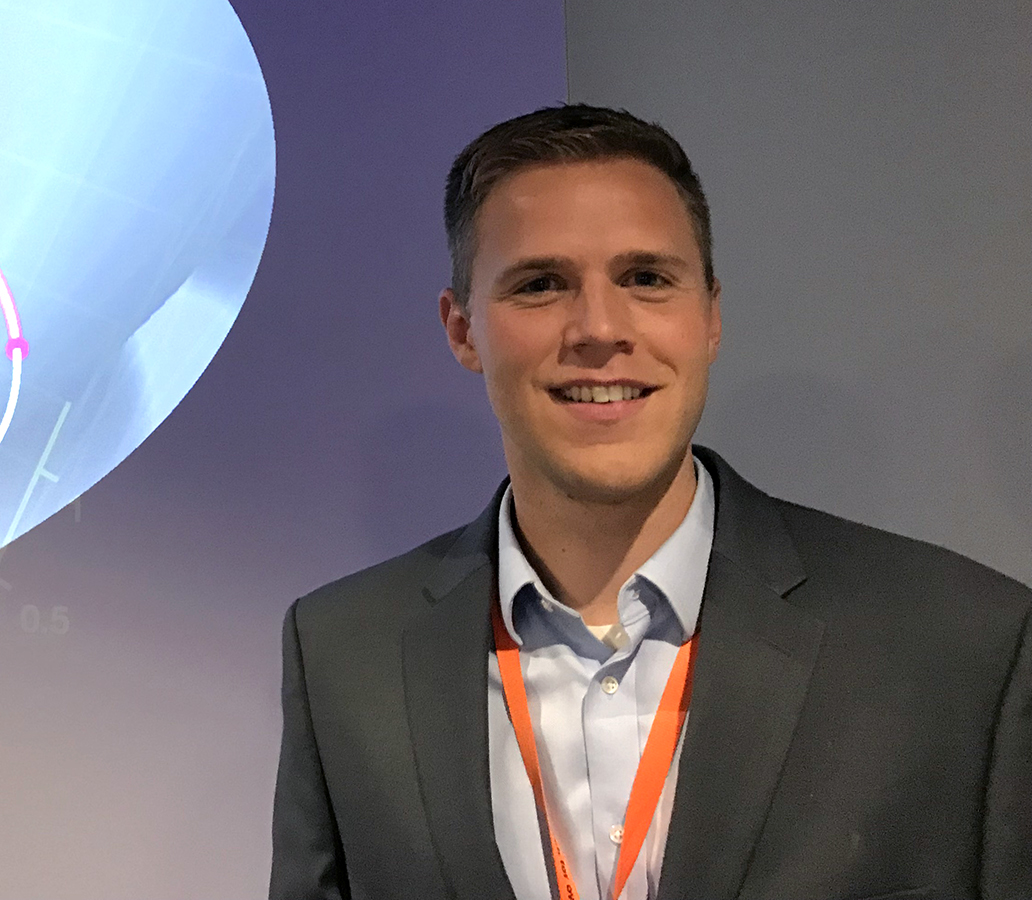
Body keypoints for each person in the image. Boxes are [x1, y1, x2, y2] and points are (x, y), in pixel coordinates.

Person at [268, 104, 1032, 900]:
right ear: (462, 330)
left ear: (710, 315)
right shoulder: (343, 657)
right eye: (540, 284)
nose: (599, 327)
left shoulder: (959, 648)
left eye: (646, 279)